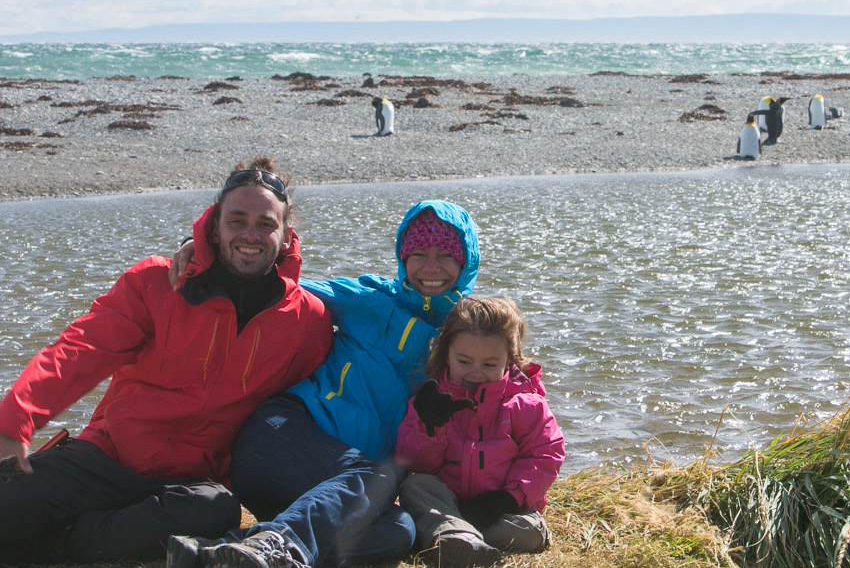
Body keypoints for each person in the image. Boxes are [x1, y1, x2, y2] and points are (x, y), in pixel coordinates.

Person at [0, 158, 334, 564]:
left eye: (265, 223)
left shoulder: (308, 321)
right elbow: (81, 349)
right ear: (214, 225)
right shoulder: (158, 283)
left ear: (285, 236)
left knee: (216, 509)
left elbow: (319, 405)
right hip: (106, 457)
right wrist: (17, 418)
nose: (251, 234)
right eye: (237, 220)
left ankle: (48, 546)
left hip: (190, 487)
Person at [168, 200, 480, 568]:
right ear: (402, 256)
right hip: (281, 436)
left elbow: (510, 389)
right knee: (373, 476)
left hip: (334, 488)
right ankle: (274, 547)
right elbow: (277, 285)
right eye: (419, 254)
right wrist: (205, 249)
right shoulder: (370, 299)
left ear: (466, 262)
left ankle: (217, 552)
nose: (431, 267)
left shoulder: (467, 332)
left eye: (445, 255)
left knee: (399, 531)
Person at [396, 296, 565, 568]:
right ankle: (457, 535)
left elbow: (545, 455)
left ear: (510, 359)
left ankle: (453, 537)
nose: (475, 373)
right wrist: (430, 430)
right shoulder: (431, 400)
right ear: (447, 353)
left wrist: (508, 498)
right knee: (415, 487)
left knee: (529, 531)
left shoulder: (526, 404)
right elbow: (415, 463)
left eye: (489, 364)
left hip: (504, 509)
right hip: (448, 501)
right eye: (464, 361)